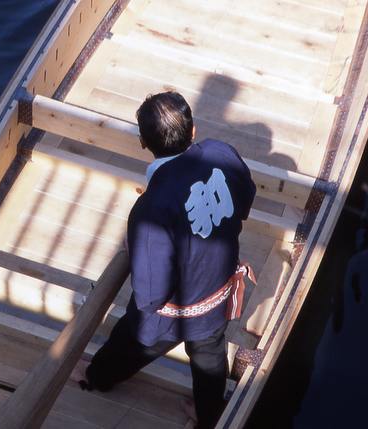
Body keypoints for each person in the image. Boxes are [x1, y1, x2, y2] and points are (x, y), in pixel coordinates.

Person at [70, 91, 256, 428]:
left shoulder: (152, 207)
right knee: (210, 358)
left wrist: (138, 245)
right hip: (217, 294)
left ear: (143, 141)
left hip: (173, 312)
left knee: (132, 341)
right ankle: (209, 414)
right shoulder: (221, 153)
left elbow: (151, 293)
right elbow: (245, 199)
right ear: (194, 130)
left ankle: (97, 375)